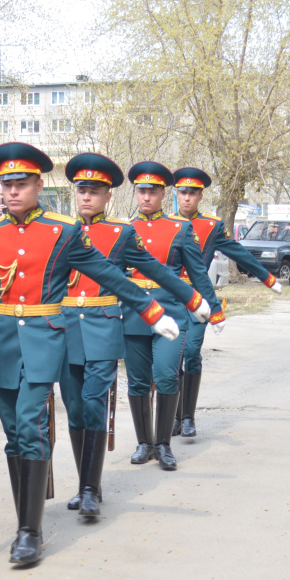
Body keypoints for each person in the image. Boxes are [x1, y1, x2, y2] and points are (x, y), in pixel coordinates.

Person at [0, 143, 179, 566]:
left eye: (21, 184)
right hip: (2, 346)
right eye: (5, 185)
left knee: (31, 424)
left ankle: (30, 531)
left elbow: (108, 273)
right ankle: (29, 518)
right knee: (13, 435)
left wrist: (151, 311)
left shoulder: (61, 231)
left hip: (44, 340)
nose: (12, 192)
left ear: (39, 185)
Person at [60, 153, 209, 518]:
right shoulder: (58, 231)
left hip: (104, 325)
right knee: (75, 409)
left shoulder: (120, 233)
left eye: (94, 191)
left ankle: (93, 489)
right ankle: (84, 483)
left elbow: (156, 269)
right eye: (81, 190)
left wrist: (194, 298)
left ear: (108, 196)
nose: (86, 197)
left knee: (96, 401)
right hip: (64, 329)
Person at [123, 161, 221, 471]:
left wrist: (212, 308)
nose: (147, 197)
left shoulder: (181, 228)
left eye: (152, 191)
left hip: (171, 313)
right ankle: (144, 442)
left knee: (166, 374)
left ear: (164, 193)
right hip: (135, 313)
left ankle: (163, 443)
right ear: (136, 193)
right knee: (138, 380)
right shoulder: (124, 228)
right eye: (141, 191)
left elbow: (198, 274)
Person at [171, 166, 281, 438]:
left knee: (191, 353)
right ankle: (171, 416)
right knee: (169, 360)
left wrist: (267, 277)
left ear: (200, 197)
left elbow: (238, 254)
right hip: (169, 300)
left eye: (192, 194)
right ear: (175, 194)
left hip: (199, 300)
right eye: (182, 192)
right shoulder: (164, 223)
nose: (187, 198)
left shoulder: (210, 226)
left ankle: (187, 417)